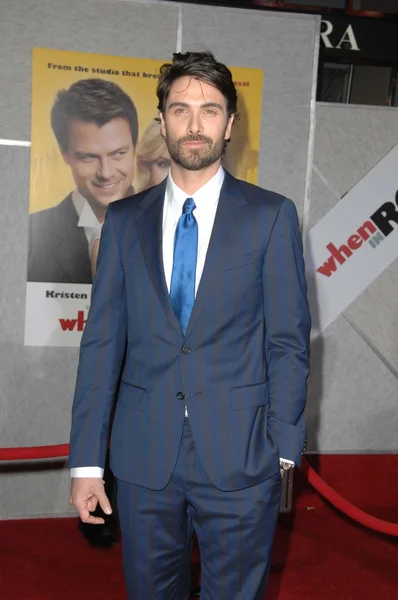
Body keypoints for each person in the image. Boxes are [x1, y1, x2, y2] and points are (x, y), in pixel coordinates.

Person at [69, 51, 310, 599]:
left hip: (243, 456)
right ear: (162, 123)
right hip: (142, 457)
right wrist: (87, 461)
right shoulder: (124, 221)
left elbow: (287, 341)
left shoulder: (271, 216)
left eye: (209, 110)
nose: (194, 124)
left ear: (229, 124)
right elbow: (101, 345)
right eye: (180, 110)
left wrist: (285, 447)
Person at [27, 78, 138, 284]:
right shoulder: (28, 236)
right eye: (88, 157)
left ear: (134, 147)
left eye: (118, 153)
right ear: (65, 154)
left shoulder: (171, 231)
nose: (106, 173)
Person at [89, 119, 171, 277]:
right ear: (146, 166)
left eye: (184, 165)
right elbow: (107, 301)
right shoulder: (112, 233)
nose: (175, 176)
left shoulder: (223, 229)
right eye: (163, 164)